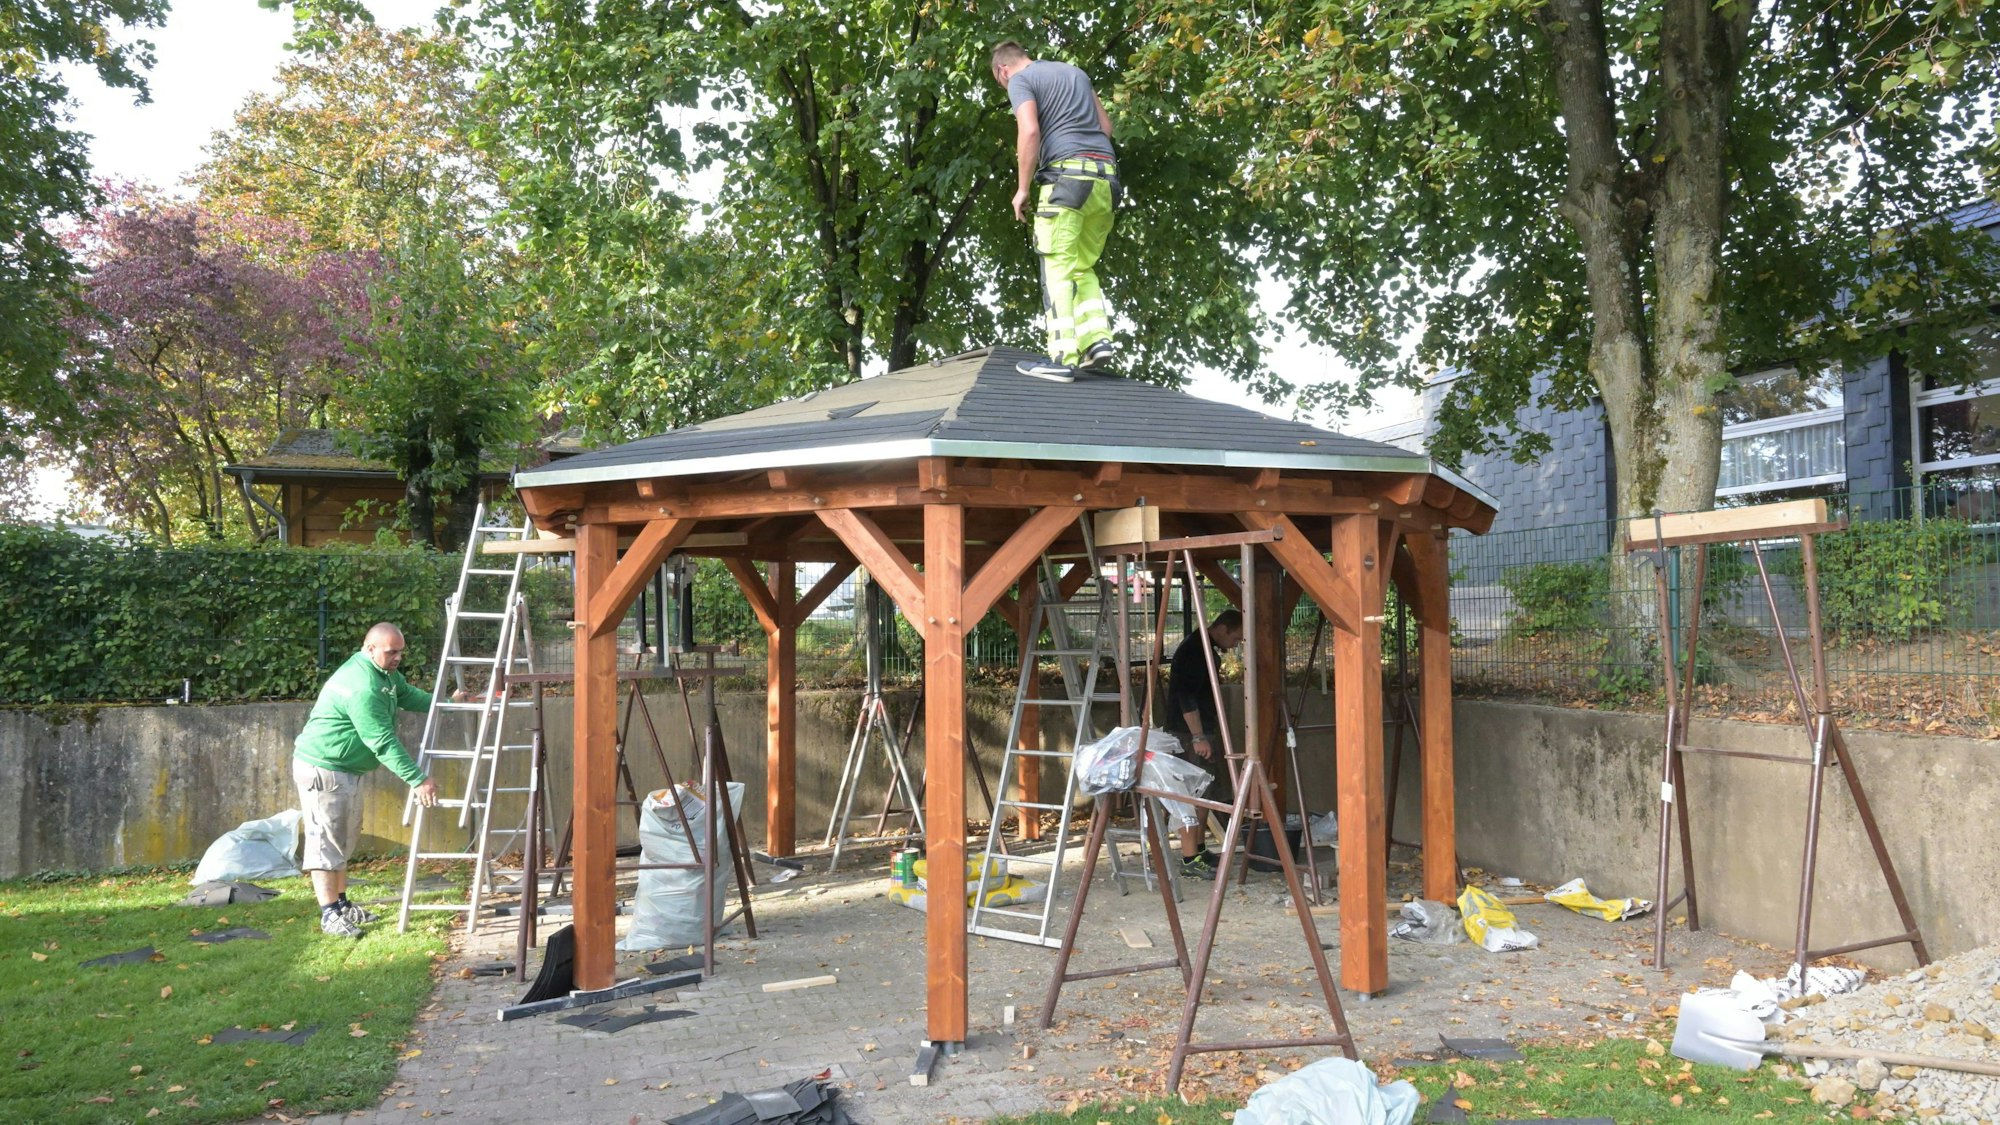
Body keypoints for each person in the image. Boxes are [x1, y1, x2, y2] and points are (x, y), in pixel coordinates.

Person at [292, 622, 453, 938]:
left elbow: (407, 694)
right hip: (324, 769)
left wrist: (447, 700)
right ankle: (329, 915)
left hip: (344, 770)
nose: (397, 658)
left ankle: (342, 905)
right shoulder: (363, 686)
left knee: (342, 839)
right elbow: (381, 741)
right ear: (370, 649)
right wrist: (417, 779)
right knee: (325, 843)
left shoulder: (384, 675)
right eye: (392, 652)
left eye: (400, 652)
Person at [991, 41, 1120, 383]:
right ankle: (1098, 340)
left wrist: (1022, 189)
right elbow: (1105, 128)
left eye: (1001, 85)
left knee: (1057, 266)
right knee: (1082, 264)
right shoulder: (1076, 73)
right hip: (1106, 178)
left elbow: (1030, 130)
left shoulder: (1021, 79)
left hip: (1066, 180)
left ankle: (1062, 357)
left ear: (1002, 70)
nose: (1007, 90)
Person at [1162, 609, 1244, 880]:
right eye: (1236, 638)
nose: (1236, 644)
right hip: (1190, 735)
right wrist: (1197, 737)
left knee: (1205, 791)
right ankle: (1189, 859)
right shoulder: (1195, 651)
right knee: (1193, 794)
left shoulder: (1204, 647)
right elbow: (1186, 697)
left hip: (1202, 731)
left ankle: (1198, 849)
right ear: (1223, 628)